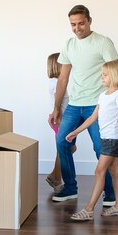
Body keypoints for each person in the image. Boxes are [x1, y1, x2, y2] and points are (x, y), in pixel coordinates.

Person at [49, 5, 118, 205]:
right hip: (74, 105)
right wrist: (56, 107)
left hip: (98, 105)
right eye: (73, 24)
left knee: (101, 148)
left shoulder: (103, 42)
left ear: (89, 21)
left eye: (81, 23)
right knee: (62, 141)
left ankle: (110, 194)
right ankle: (70, 188)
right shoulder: (69, 45)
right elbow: (63, 79)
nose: (77, 28)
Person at [65, 60, 118, 221]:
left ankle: (89, 209)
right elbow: (92, 117)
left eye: (105, 75)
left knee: (99, 171)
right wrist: (75, 132)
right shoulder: (103, 96)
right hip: (106, 138)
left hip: (113, 139)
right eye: (101, 74)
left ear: (116, 76)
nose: (101, 77)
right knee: (115, 172)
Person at [45, 52, 76, 193]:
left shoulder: (54, 82)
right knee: (66, 149)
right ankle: (55, 177)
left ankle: (54, 176)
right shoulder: (57, 83)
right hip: (60, 120)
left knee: (65, 149)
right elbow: (59, 105)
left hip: (59, 119)